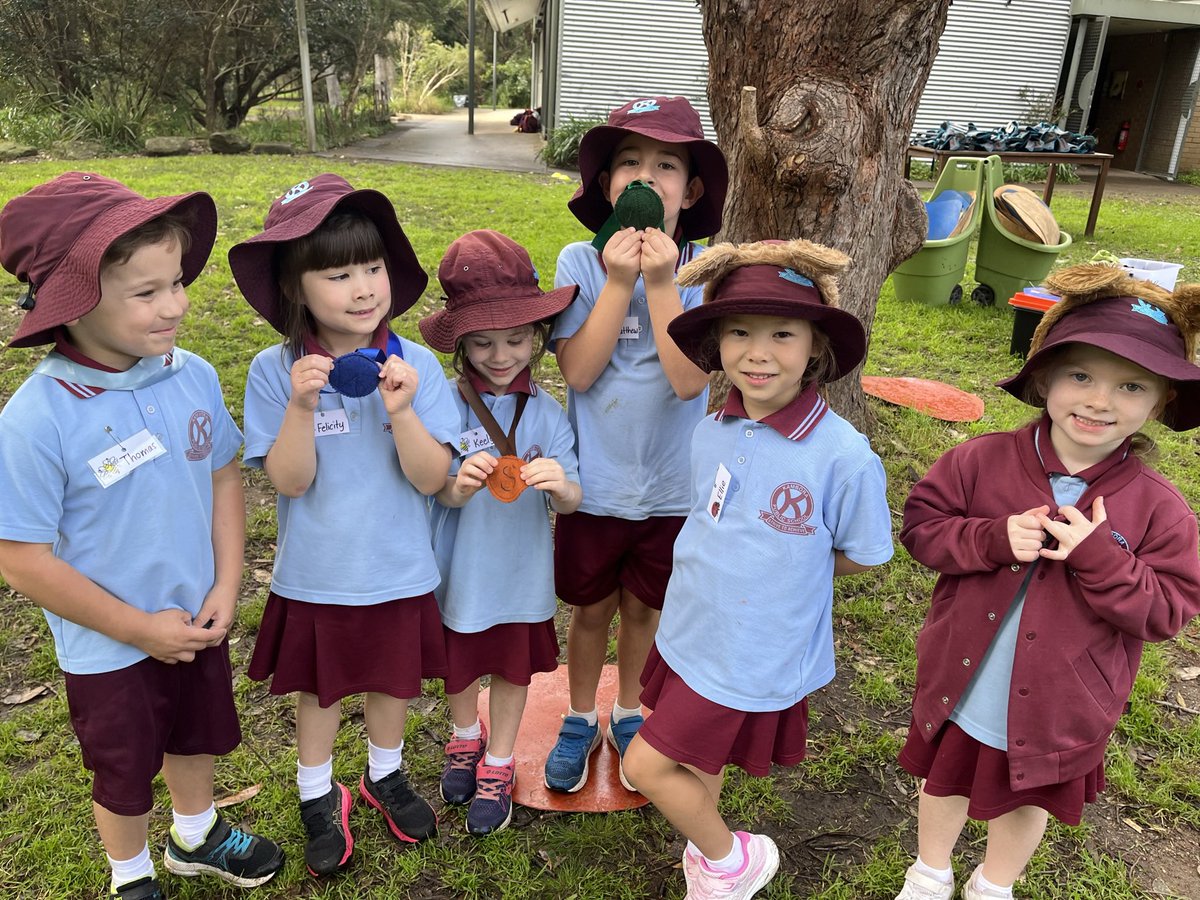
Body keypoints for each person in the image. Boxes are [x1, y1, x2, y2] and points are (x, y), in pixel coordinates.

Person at [0, 173, 284, 900]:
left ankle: (197, 834)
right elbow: (21, 560)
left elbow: (224, 474)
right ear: (74, 302)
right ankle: (131, 875)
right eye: (147, 292)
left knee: (197, 734)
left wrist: (226, 584)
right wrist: (136, 629)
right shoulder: (36, 419)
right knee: (122, 769)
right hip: (109, 645)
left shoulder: (190, 375)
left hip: (194, 618)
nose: (176, 305)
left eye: (178, 282)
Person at [893, 264, 1200, 900]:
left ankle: (993, 884)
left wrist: (1100, 557)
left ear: (1162, 400)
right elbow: (922, 527)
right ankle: (929, 872)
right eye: (1081, 375)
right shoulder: (980, 461)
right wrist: (990, 538)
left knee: (1026, 795)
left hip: (1063, 703)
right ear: (1044, 377)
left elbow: (1168, 611)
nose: (1099, 401)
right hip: (965, 677)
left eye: (1131, 386)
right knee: (944, 779)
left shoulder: (1160, 508)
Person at [622, 238, 894, 899]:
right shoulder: (713, 428)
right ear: (716, 342)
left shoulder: (843, 457)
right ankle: (706, 859)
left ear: (815, 347)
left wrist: (788, 569)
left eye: (782, 333)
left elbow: (862, 554)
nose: (758, 352)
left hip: (751, 652)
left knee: (644, 767)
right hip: (691, 630)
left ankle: (732, 860)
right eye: (739, 332)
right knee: (695, 759)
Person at [229, 174, 460, 877]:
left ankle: (385, 773)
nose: (363, 289)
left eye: (373, 267)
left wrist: (402, 412)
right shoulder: (276, 371)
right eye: (338, 275)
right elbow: (290, 481)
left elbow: (433, 478)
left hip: (398, 565)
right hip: (318, 571)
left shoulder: (416, 365)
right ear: (295, 288)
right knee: (322, 689)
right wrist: (301, 407)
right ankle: (316, 792)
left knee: (393, 680)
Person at [545, 95, 729, 793]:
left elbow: (689, 380)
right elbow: (579, 371)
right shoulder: (579, 261)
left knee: (645, 609)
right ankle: (578, 716)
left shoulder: (704, 270)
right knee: (590, 609)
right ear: (605, 183)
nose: (646, 177)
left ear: (693, 190)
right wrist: (620, 279)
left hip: (672, 488)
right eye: (629, 162)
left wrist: (660, 280)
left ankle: (628, 711)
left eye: (665, 165)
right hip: (593, 484)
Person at [419, 229, 583, 835]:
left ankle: (499, 760)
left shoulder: (547, 413)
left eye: (516, 339)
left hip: (521, 573)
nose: (500, 355)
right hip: (458, 569)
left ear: (537, 337)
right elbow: (429, 481)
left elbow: (574, 498)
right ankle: (465, 736)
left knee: (513, 669)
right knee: (459, 664)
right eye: (482, 342)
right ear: (459, 343)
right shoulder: (444, 404)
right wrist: (455, 486)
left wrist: (560, 485)